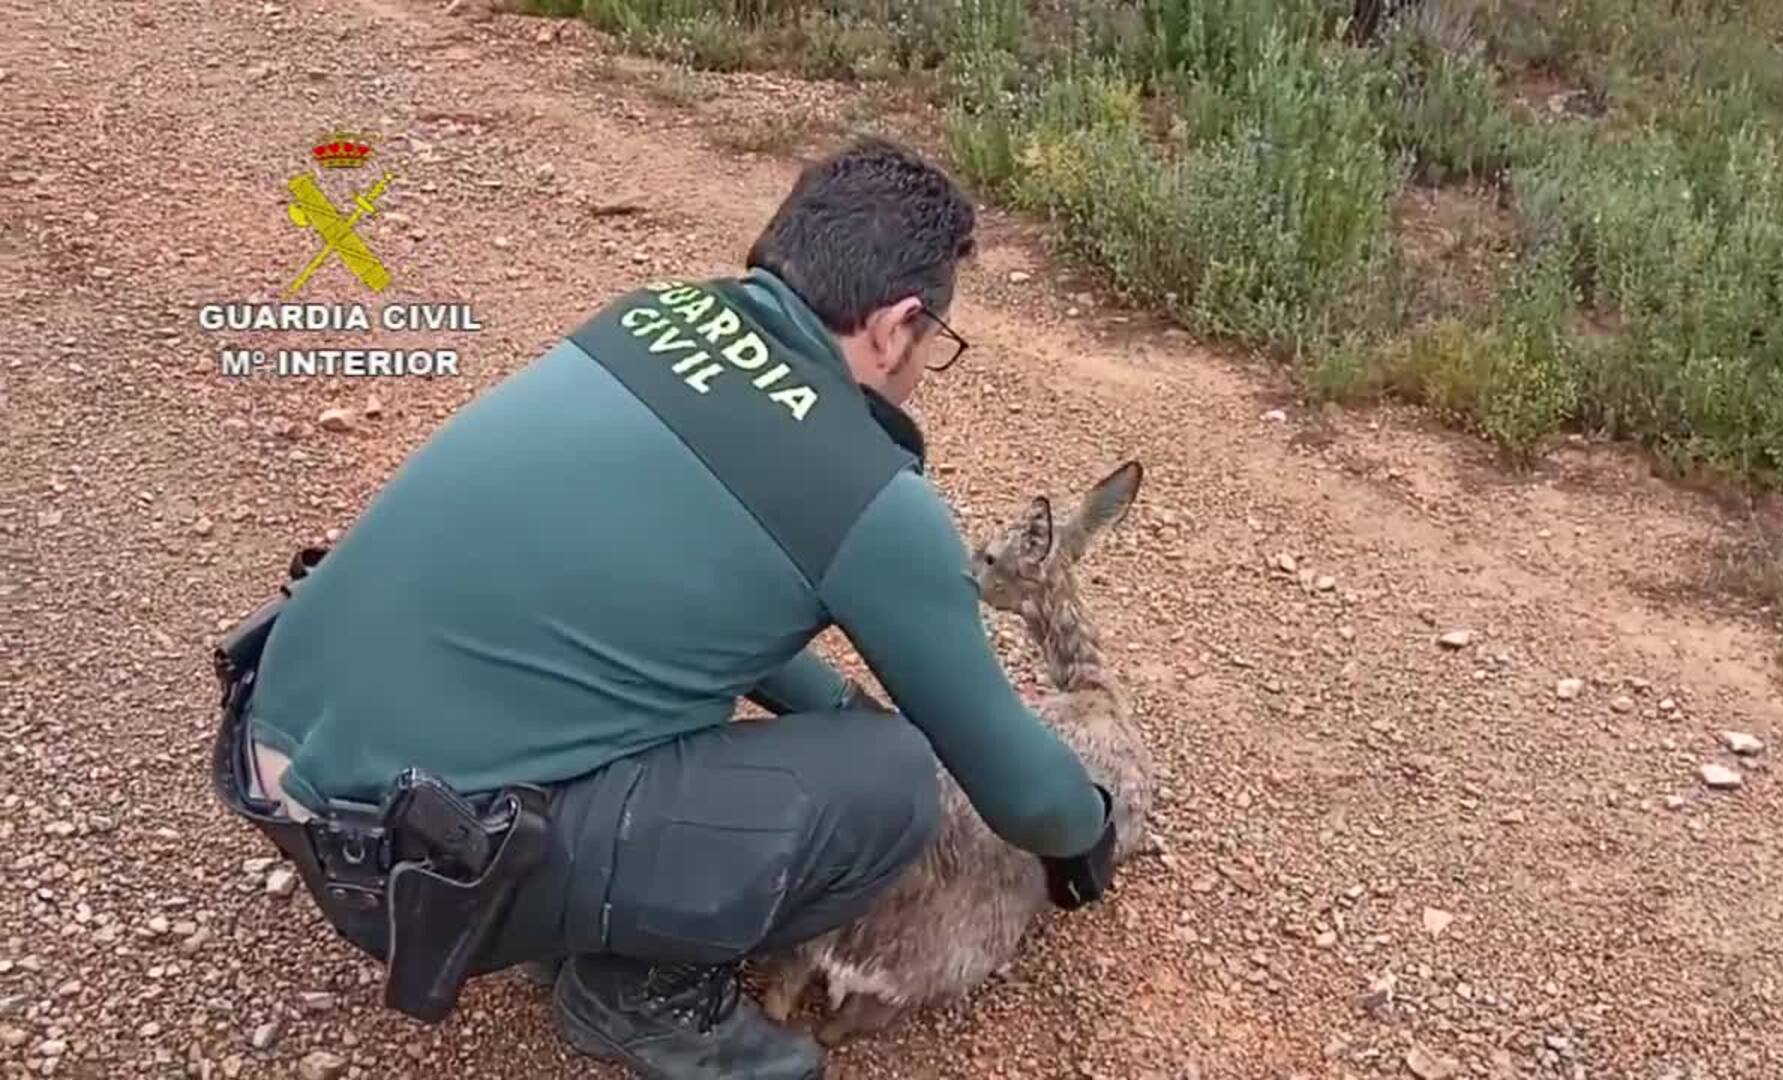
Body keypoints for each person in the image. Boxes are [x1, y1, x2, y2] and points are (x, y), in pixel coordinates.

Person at [209, 137, 1119, 1080]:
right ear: (898, 326)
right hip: (404, 870)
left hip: (274, 751)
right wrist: (1086, 830)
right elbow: (1022, 795)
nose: (924, 364)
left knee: (721, 696)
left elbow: (692, 590)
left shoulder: (646, 320)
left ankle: (563, 897)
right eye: (935, 344)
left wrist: (836, 703)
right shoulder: (869, 496)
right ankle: (639, 995)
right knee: (887, 780)